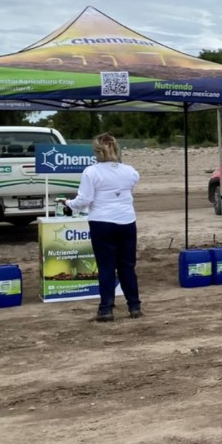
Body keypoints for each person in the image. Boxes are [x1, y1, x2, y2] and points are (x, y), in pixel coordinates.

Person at [64, 133, 142, 322]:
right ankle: (134, 306)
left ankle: (106, 309)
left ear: (97, 151)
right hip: (127, 222)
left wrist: (69, 204)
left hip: (102, 223)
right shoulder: (130, 171)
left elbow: (85, 199)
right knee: (127, 267)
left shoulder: (91, 172)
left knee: (106, 268)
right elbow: (127, 191)